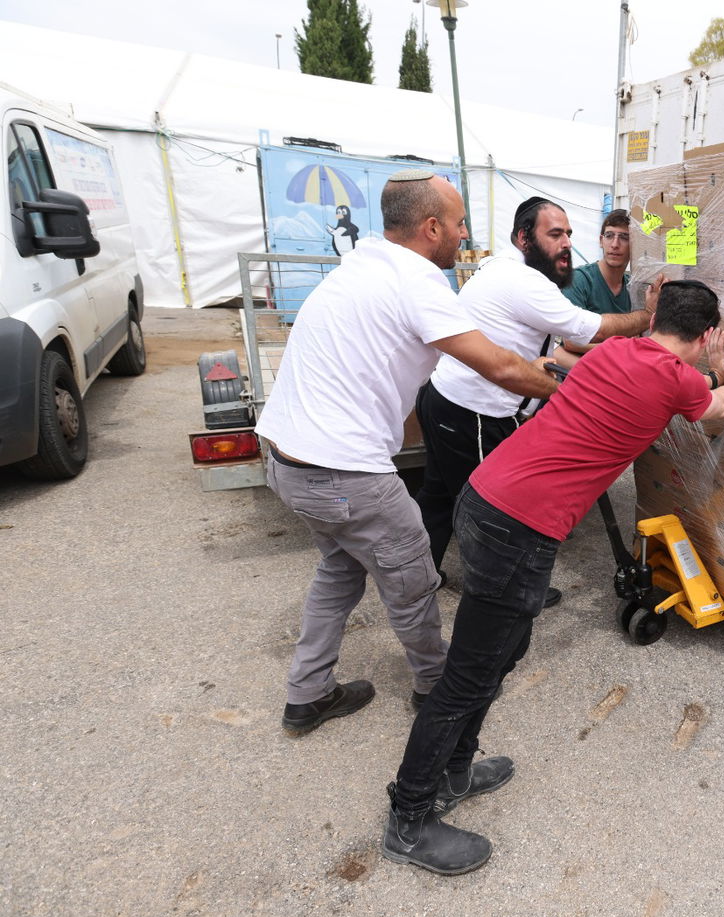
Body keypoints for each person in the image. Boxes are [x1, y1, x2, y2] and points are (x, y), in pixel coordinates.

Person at [380, 281, 724, 875]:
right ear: (707, 336)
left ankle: (455, 768)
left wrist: (719, 378)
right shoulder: (673, 377)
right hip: (518, 526)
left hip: (487, 499)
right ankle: (410, 817)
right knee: (470, 674)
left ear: (655, 318)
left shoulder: (616, 354)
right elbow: (716, 407)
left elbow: (692, 391)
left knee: (502, 652)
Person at [257, 169, 558, 736]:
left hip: (285, 457)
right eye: (460, 223)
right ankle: (434, 685)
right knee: (415, 577)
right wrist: (571, 390)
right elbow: (495, 366)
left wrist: (528, 369)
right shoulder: (418, 282)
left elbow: (478, 348)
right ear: (430, 226)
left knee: (340, 569)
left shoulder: (366, 264)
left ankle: (307, 693)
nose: (465, 235)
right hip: (343, 471)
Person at [414, 198, 657, 607]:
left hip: (444, 400)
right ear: (524, 238)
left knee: (437, 498)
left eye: (568, 235)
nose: (565, 244)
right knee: (493, 512)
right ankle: (504, 594)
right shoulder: (525, 282)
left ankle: (419, 577)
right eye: (554, 234)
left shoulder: (504, 268)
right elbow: (588, 328)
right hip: (475, 412)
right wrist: (647, 315)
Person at [553, 207, 653, 365]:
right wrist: (623, 348)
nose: (615, 244)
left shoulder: (633, 287)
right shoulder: (580, 280)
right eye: (609, 235)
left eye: (624, 237)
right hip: (585, 374)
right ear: (601, 241)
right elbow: (571, 341)